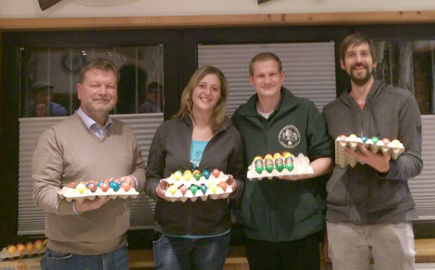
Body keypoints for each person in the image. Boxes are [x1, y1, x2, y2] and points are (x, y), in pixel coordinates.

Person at [322, 33, 423, 270]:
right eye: (351, 55)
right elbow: (328, 166)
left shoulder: (402, 101)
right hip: (342, 220)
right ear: (342, 64)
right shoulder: (331, 111)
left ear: (374, 62)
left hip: (392, 216)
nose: (359, 60)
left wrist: (386, 167)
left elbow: (415, 161)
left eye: (364, 54)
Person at [33, 58, 146, 270]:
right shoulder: (55, 136)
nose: (103, 92)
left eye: (110, 86)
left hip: (118, 252)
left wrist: (131, 180)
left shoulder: (126, 133)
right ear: (79, 90)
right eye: (95, 85)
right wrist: (75, 206)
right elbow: (41, 192)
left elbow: (140, 170)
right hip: (68, 257)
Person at [231, 52, 334, 270]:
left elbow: (326, 158)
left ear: (282, 76)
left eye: (272, 74)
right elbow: (236, 167)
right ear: (251, 80)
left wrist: (302, 173)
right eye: (260, 75)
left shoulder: (304, 110)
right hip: (257, 227)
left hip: (300, 225)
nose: (267, 80)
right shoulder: (241, 117)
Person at [145, 65, 245, 270]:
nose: (207, 93)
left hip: (214, 235)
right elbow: (150, 178)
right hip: (171, 233)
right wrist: (159, 190)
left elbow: (241, 180)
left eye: (215, 88)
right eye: (202, 85)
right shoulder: (167, 131)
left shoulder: (231, 135)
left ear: (220, 96)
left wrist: (234, 187)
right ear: (191, 91)